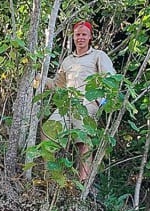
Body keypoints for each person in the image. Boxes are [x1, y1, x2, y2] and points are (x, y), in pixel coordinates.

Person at [42, 20, 116, 183]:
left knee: (83, 143)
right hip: (68, 104)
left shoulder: (98, 56)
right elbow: (58, 86)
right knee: (47, 131)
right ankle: (53, 180)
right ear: (73, 37)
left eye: (84, 34)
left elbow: (111, 79)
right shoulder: (68, 61)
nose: (80, 38)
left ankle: (82, 182)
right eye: (77, 34)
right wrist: (40, 79)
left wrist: (102, 102)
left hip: (87, 105)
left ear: (90, 37)